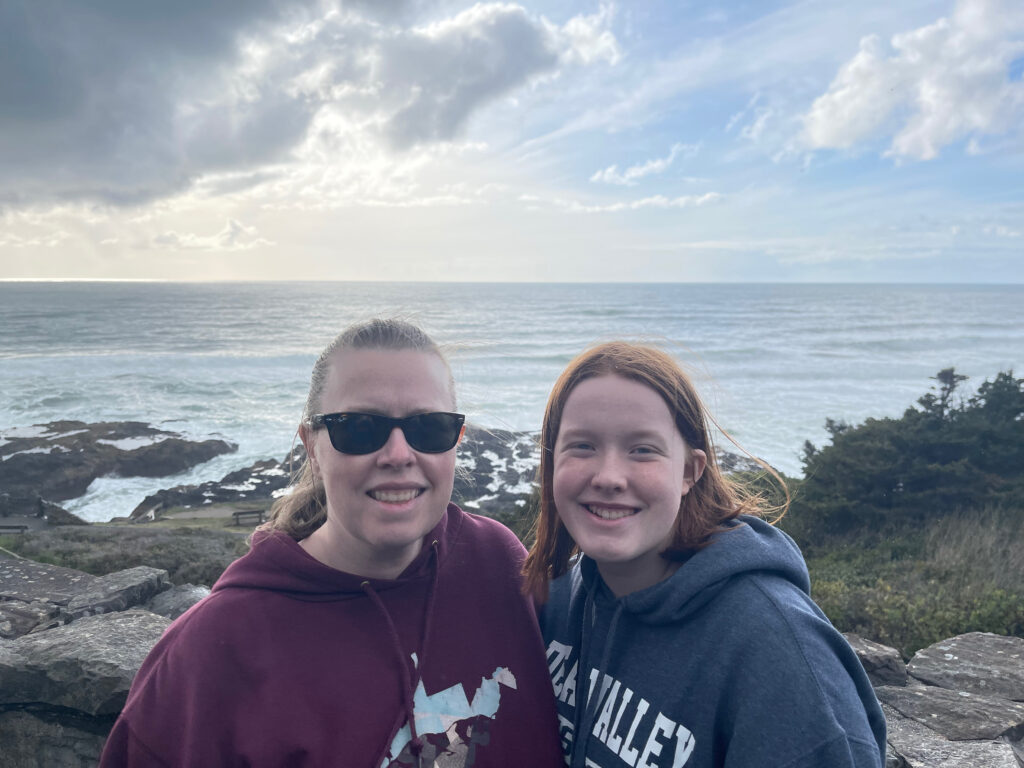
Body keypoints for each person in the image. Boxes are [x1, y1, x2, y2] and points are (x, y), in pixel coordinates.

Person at [101, 319, 563, 768]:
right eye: (359, 427)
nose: (400, 455)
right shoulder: (212, 652)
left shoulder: (497, 564)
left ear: (457, 440)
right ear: (311, 447)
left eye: (430, 428)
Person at [523, 342, 886, 768]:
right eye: (582, 446)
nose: (608, 477)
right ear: (551, 463)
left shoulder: (776, 653)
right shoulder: (557, 601)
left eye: (642, 449)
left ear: (690, 472)